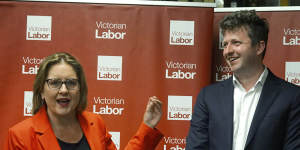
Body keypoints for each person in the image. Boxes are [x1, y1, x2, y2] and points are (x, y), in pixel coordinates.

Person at [186, 10, 300, 150]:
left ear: (259, 47)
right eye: (225, 44)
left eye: (236, 43)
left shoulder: (291, 96)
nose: (228, 51)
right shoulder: (208, 96)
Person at [5, 52, 163, 150]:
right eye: (54, 83)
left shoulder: (96, 123)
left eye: (71, 83)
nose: (64, 90)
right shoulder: (20, 136)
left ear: (80, 89)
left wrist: (147, 126)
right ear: (41, 90)